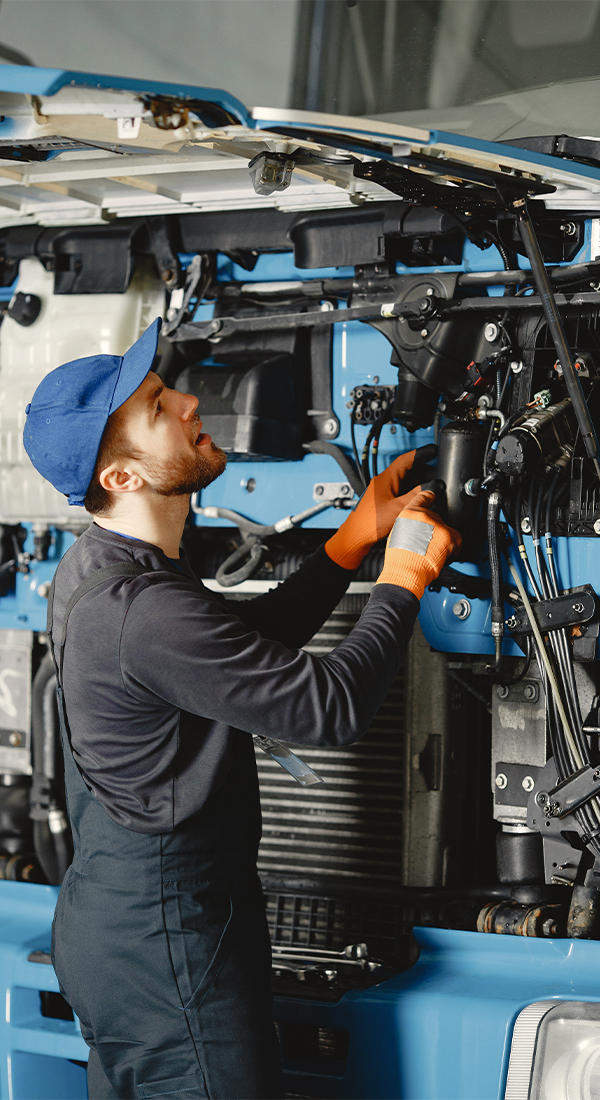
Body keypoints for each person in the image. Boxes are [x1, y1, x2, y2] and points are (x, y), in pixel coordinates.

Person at [23, 317, 460, 1100]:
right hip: (169, 948)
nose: (191, 402)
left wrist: (348, 546)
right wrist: (403, 580)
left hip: (121, 927)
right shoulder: (140, 607)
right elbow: (326, 710)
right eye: (159, 408)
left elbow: (231, 652)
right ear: (122, 477)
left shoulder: (107, 567)